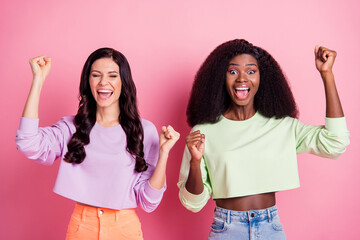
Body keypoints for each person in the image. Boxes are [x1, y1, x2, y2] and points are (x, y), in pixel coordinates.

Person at [177, 39, 349, 239]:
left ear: (262, 77)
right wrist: (195, 162)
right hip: (226, 229)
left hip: (270, 228)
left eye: (251, 71)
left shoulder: (281, 126)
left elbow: (335, 143)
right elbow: (193, 203)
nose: (242, 78)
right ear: (220, 78)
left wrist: (327, 74)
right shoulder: (205, 132)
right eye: (232, 71)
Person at [16, 47, 180, 240]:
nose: (103, 82)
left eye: (112, 75)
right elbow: (27, 142)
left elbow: (150, 201)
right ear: (88, 81)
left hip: (125, 228)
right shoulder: (71, 128)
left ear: (123, 82)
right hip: (82, 227)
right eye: (96, 75)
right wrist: (38, 80)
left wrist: (164, 153)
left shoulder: (144, 131)